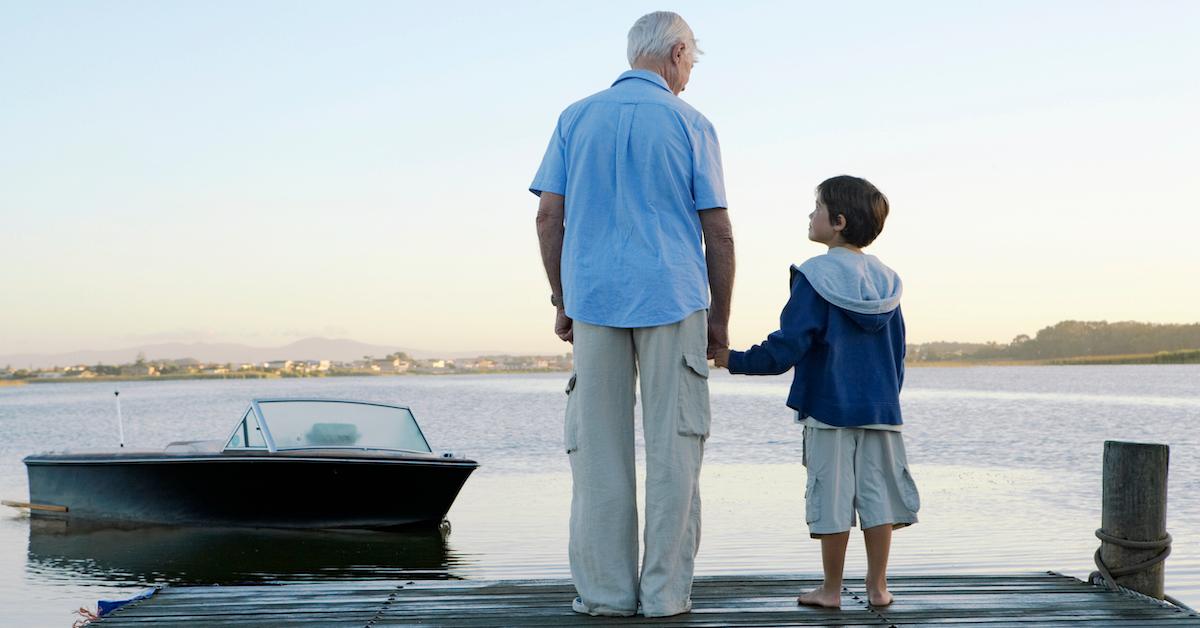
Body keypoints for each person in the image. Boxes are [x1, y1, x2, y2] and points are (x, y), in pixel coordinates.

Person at [530, 11, 735, 618]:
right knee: (674, 450)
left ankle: (606, 595)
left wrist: (562, 298)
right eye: (692, 60)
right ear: (676, 52)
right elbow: (717, 231)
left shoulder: (575, 117)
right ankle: (666, 594)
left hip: (593, 299)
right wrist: (719, 321)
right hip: (673, 297)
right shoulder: (691, 123)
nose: (690, 71)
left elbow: (548, 217)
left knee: (598, 451)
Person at [713, 175, 919, 609]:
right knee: (878, 496)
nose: (810, 215)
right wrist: (886, 398)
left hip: (829, 408)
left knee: (831, 495)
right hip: (882, 409)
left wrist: (734, 359)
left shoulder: (815, 275)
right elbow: (897, 354)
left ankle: (830, 590)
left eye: (817, 208)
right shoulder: (888, 281)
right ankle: (878, 589)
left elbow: (789, 346)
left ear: (838, 221)